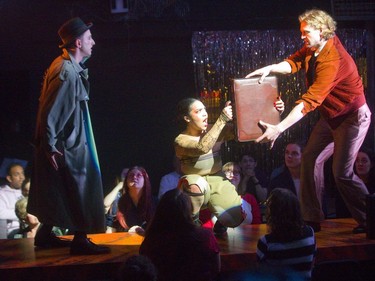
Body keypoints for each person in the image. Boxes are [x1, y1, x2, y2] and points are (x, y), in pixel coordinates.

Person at [246, 9, 371, 233]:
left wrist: (279, 128)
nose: (302, 36)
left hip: (352, 118)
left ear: (322, 32)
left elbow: (309, 102)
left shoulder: (333, 60)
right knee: (310, 158)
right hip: (331, 116)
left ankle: (370, 219)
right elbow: (294, 62)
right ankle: (311, 218)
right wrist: (271, 67)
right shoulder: (315, 46)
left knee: (342, 172)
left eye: (306, 32)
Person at [27, 17, 110, 254]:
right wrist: (50, 144)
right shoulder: (67, 73)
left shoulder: (64, 65)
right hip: (70, 142)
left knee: (60, 188)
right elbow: (51, 112)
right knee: (82, 185)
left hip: (67, 139)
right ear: (77, 43)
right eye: (88, 38)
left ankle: (44, 234)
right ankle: (81, 240)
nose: (93, 42)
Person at [174, 97, 253, 234]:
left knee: (238, 218)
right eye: (199, 111)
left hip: (217, 178)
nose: (205, 114)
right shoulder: (181, 140)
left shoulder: (215, 129)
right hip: (194, 181)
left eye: (205, 110)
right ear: (187, 118)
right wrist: (222, 119)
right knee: (195, 185)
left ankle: (221, 224)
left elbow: (245, 129)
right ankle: (191, 226)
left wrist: (274, 111)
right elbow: (202, 147)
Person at [139, 188, 220, 281]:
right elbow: (216, 268)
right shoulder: (205, 236)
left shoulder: (151, 240)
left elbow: (147, 271)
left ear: (160, 210)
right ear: (189, 210)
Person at [257, 188, 316, 280]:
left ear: (272, 213)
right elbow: (312, 264)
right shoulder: (310, 233)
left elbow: (260, 273)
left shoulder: (266, 242)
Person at [115, 166, 155, 233]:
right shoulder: (122, 201)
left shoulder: (154, 201)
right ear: (126, 180)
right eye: (131, 175)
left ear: (145, 180)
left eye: (139, 175)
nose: (134, 177)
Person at [0, 163, 25, 237]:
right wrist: (23, 215)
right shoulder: (2, 192)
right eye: (17, 174)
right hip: (15, 230)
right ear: (9, 178)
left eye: (22, 173)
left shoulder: (27, 190)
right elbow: (1, 213)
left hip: (32, 227)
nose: (22, 177)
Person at [104, 168, 129, 233]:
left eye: (129, 174)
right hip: (112, 227)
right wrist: (118, 187)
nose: (126, 176)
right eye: (125, 174)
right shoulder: (117, 193)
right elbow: (105, 204)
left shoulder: (133, 194)